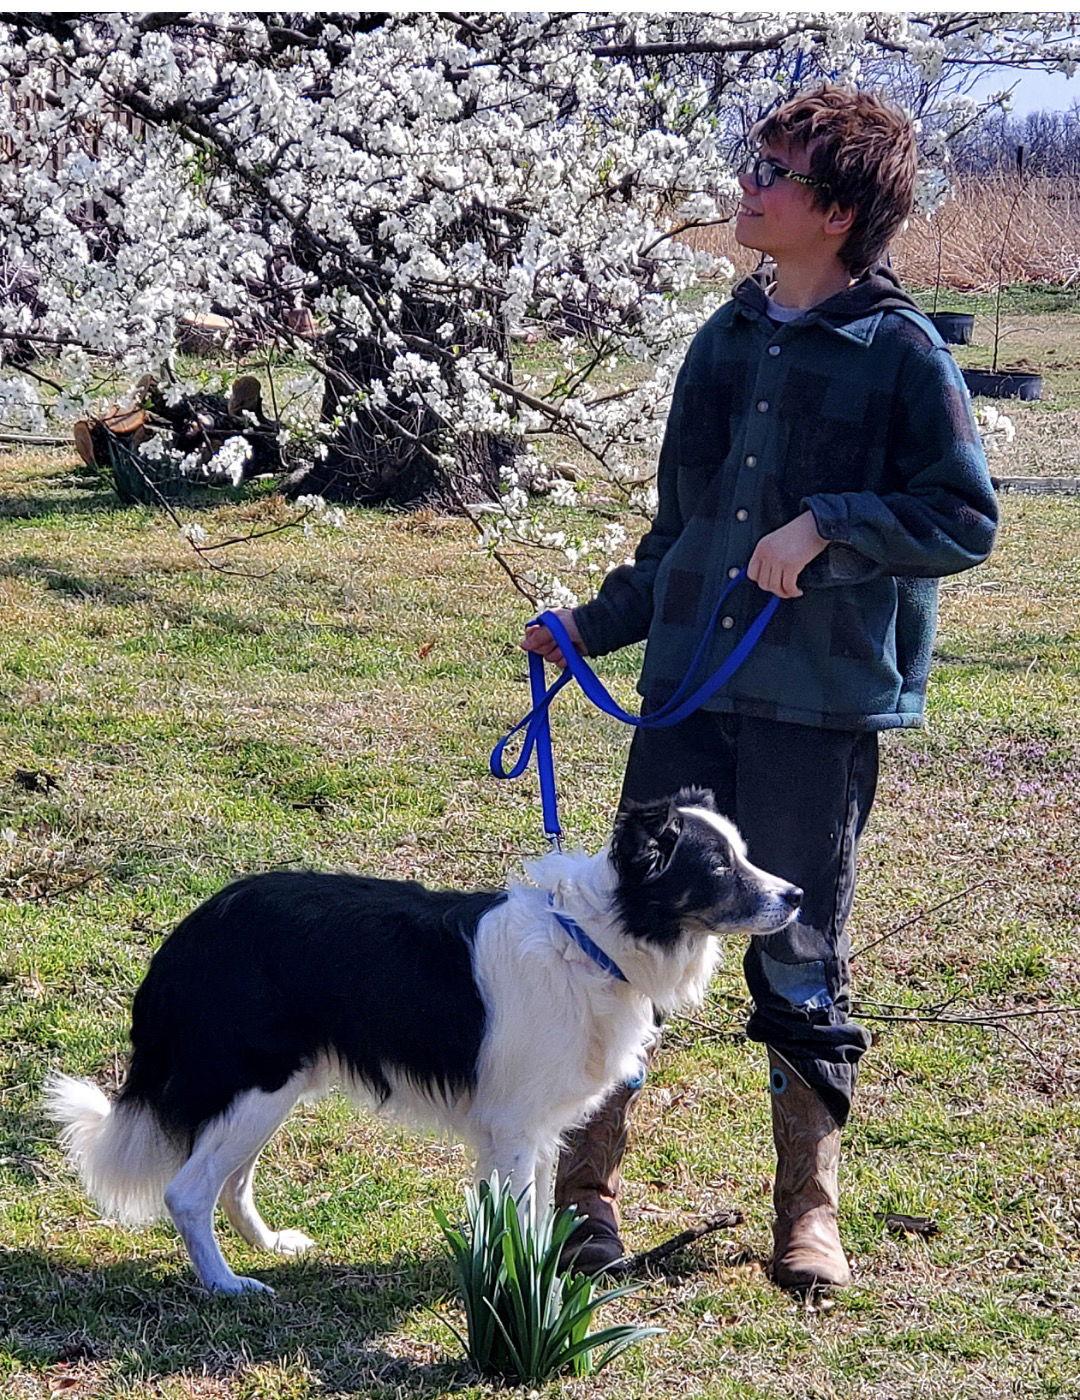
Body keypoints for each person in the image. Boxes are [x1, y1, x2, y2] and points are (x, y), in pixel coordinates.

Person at [521, 85, 998, 1289]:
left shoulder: (901, 352)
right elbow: (679, 531)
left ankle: (809, 1211)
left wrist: (826, 528)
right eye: (757, 160)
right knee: (617, 937)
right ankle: (584, 1196)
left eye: (771, 169)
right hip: (688, 698)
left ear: (835, 211)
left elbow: (963, 517)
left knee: (798, 946)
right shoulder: (722, 341)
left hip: (817, 711)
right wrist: (590, 626)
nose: (749, 183)